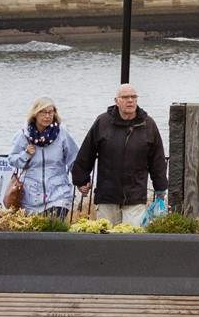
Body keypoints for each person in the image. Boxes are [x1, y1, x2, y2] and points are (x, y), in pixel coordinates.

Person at [71, 83, 168, 225]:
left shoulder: (148, 124)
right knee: (106, 240)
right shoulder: (102, 122)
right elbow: (87, 152)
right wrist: (81, 180)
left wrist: (160, 188)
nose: (130, 100)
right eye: (125, 97)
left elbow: (157, 160)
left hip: (135, 197)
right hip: (107, 196)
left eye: (133, 97)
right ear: (116, 101)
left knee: (133, 240)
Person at [10, 98, 79, 217]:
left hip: (58, 194)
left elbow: (74, 159)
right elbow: (12, 160)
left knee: (53, 230)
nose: (47, 116)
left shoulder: (62, 134)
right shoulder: (23, 135)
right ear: (35, 114)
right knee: (34, 234)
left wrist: (82, 181)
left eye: (50, 112)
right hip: (31, 197)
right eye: (43, 112)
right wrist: (26, 154)